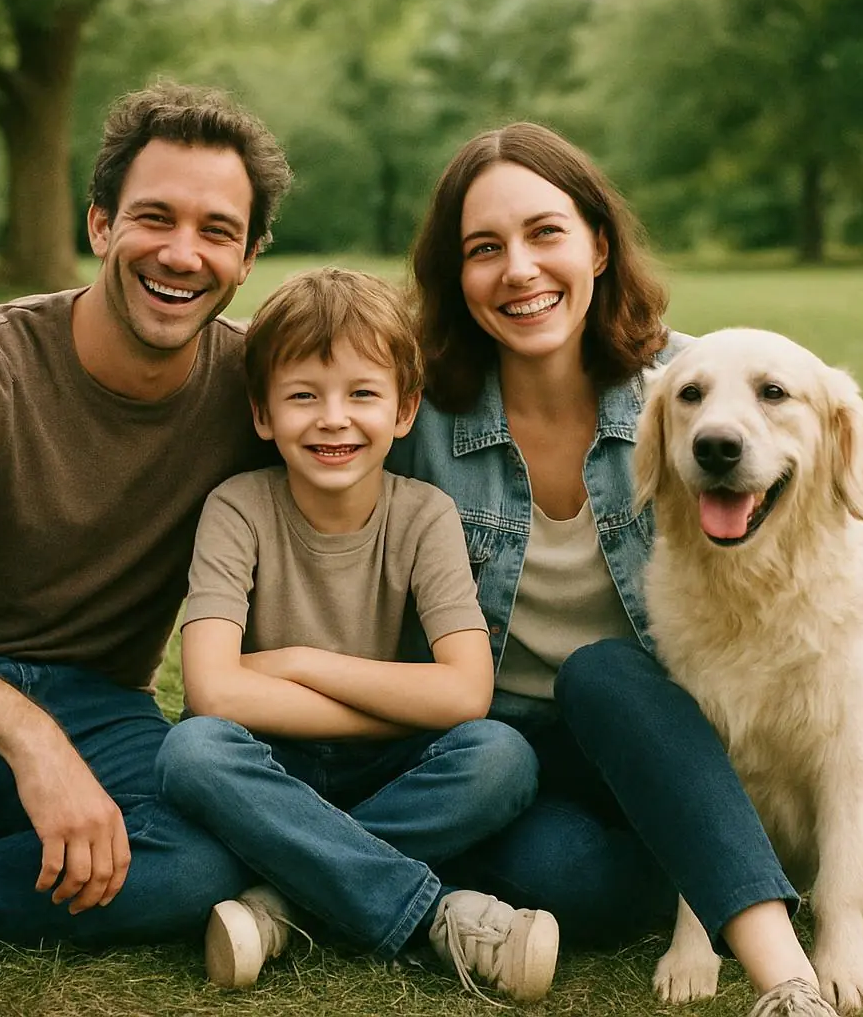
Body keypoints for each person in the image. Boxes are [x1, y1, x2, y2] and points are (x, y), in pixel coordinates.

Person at [0, 81, 292, 1017]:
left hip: (105, 712)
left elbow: (400, 403)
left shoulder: (259, 389)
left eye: (217, 230)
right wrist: (27, 735)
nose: (181, 253)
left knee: (201, 854)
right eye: (153, 218)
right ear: (99, 224)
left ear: (250, 257)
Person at [386, 121, 839, 1016]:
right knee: (566, 876)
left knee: (602, 672)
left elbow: (819, 458)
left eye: (545, 233)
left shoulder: (699, 386)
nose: (518, 269)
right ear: (457, 275)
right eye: (484, 248)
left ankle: (785, 976)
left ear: (597, 242)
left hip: (652, 730)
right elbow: (295, 366)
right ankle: (697, 861)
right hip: (502, 746)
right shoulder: (417, 415)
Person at [153, 266, 559, 1003]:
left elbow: (468, 692)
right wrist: (406, 700)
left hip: (392, 766)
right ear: (263, 414)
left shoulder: (424, 515)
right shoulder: (237, 509)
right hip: (270, 764)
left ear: (405, 411)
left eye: (361, 394)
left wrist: (302, 662)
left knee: (501, 755)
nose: (333, 418)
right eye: (303, 395)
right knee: (191, 752)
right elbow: (212, 692)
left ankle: (281, 902)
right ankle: (434, 913)